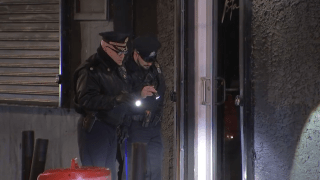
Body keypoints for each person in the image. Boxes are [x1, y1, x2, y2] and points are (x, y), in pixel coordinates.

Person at [73, 31, 136, 180]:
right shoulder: (90, 70)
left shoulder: (117, 68)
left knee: (108, 174)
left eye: (124, 51)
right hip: (96, 128)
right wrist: (115, 100)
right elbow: (85, 100)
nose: (122, 55)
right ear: (107, 48)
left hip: (111, 128)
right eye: (119, 52)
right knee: (97, 174)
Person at [120, 35, 166, 180]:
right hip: (134, 127)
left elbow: (161, 91)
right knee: (135, 172)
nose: (149, 63)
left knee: (155, 172)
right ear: (136, 54)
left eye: (152, 59)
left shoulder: (155, 68)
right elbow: (119, 99)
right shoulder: (125, 71)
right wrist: (139, 95)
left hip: (153, 127)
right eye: (146, 59)